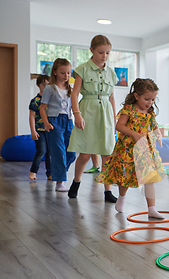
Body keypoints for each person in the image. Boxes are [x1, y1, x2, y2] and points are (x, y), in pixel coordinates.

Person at [95, 78, 165, 218]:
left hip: (144, 149)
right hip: (127, 149)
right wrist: (134, 134)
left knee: (149, 177)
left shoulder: (149, 111)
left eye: (152, 99)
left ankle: (151, 208)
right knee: (125, 177)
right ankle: (121, 198)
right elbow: (119, 126)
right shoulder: (129, 109)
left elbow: (154, 125)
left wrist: (158, 134)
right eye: (147, 99)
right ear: (136, 96)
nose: (150, 103)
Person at [68, 35, 118, 202]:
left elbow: (111, 98)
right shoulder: (82, 69)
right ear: (92, 51)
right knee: (85, 153)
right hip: (87, 110)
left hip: (106, 113)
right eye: (101, 52)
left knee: (107, 153)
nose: (104, 56)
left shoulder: (111, 73)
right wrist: (77, 114)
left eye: (107, 53)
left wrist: (115, 119)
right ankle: (76, 182)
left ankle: (107, 191)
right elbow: (74, 94)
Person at [39, 58, 76, 192]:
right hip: (54, 121)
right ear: (54, 72)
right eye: (62, 73)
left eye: (68, 73)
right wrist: (46, 123)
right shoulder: (50, 88)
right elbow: (42, 108)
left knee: (71, 153)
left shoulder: (71, 89)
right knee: (59, 153)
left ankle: (59, 173)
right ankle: (60, 181)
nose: (66, 76)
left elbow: (73, 108)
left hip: (68, 122)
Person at [29, 74, 51, 181]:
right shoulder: (35, 100)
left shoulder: (52, 100)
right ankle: (33, 171)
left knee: (50, 153)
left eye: (48, 85)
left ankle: (50, 173)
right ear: (38, 85)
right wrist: (33, 131)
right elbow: (32, 117)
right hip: (39, 130)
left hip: (50, 130)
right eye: (43, 85)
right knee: (41, 150)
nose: (46, 87)